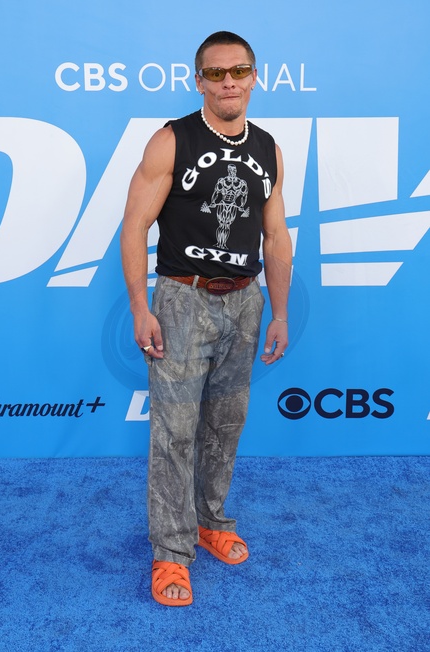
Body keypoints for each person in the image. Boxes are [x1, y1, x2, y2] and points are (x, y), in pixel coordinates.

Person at [120, 30, 292, 606]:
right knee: (174, 432)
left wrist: (279, 311)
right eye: (216, 73)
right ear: (199, 81)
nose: (228, 82)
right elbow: (134, 226)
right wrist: (141, 306)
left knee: (225, 424)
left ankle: (211, 520)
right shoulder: (172, 140)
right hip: (182, 299)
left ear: (254, 77)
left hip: (245, 302)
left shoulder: (268, 149)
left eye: (238, 71)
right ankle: (170, 554)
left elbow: (275, 236)